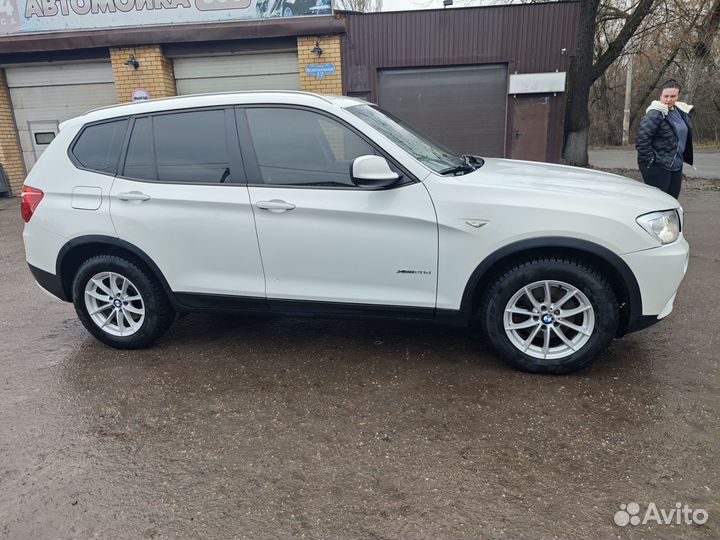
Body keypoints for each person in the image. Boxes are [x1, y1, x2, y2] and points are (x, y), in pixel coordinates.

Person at [635, 79, 694, 199]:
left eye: (673, 96)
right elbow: (642, 141)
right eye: (666, 96)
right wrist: (651, 161)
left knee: (672, 200)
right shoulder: (655, 114)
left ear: (678, 95)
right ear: (660, 96)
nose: (669, 99)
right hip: (658, 165)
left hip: (676, 164)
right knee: (659, 201)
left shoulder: (681, 112)